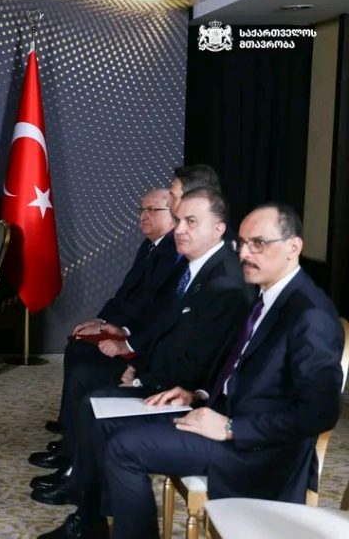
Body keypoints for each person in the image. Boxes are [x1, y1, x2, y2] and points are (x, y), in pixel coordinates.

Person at [41, 203, 343, 539]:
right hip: (215, 413)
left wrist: (231, 427)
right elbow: (238, 373)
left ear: (293, 246)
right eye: (242, 243)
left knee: (124, 448)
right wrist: (196, 394)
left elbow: (320, 411)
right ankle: (91, 524)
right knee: (103, 419)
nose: (245, 254)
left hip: (256, 450)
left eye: (258, 243)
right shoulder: (268, 296)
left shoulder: (310, 314)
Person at [32, 187, 250, 513]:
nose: (180, 229)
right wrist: (136, 363)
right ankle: (83, 494)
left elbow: (198, 358)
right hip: (164, 375)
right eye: (179, 220)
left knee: (94, 404)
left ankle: (87, 504)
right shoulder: (196, 268)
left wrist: (139, 377)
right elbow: (166, 329)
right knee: (88, 389)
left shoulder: (225, 283)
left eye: (191, 221)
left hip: (189, 397)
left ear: (218, 229)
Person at [33, 188, 179, 476]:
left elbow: (153, 309)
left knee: (85, 367)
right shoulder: (149, 246)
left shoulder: (173, 252)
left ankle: (73, 448)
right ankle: (69, 426)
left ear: (173, 216)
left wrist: (122, 333)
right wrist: (99, 321)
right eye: (142, 210)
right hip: (123, 328)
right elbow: (123, 294)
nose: (144, 216)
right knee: (78, 345)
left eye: (152, 210)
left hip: (139, 341)